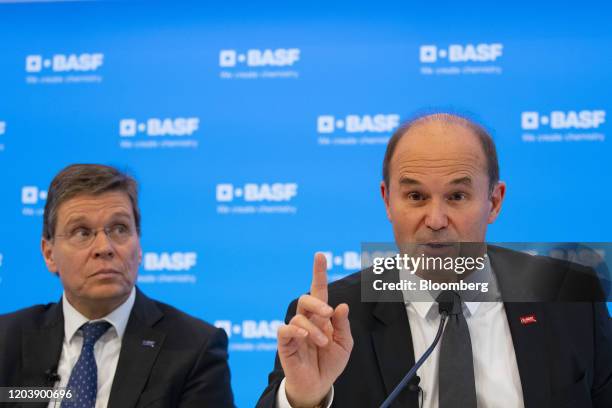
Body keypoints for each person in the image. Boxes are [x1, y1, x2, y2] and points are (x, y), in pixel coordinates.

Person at [257, 113, 612, 408]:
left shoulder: (570, 298)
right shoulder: (333, 318)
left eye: (457, 196)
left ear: (495, 200)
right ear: (387, 200)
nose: (436, 220)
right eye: (415, 196)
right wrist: (305, 399)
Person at [0, 164, 234, 407]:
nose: (104, 247)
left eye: (120, 229)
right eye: (82, 232)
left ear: (139, 245)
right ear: (49, 254)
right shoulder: (6, 341)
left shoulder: (194, 348)